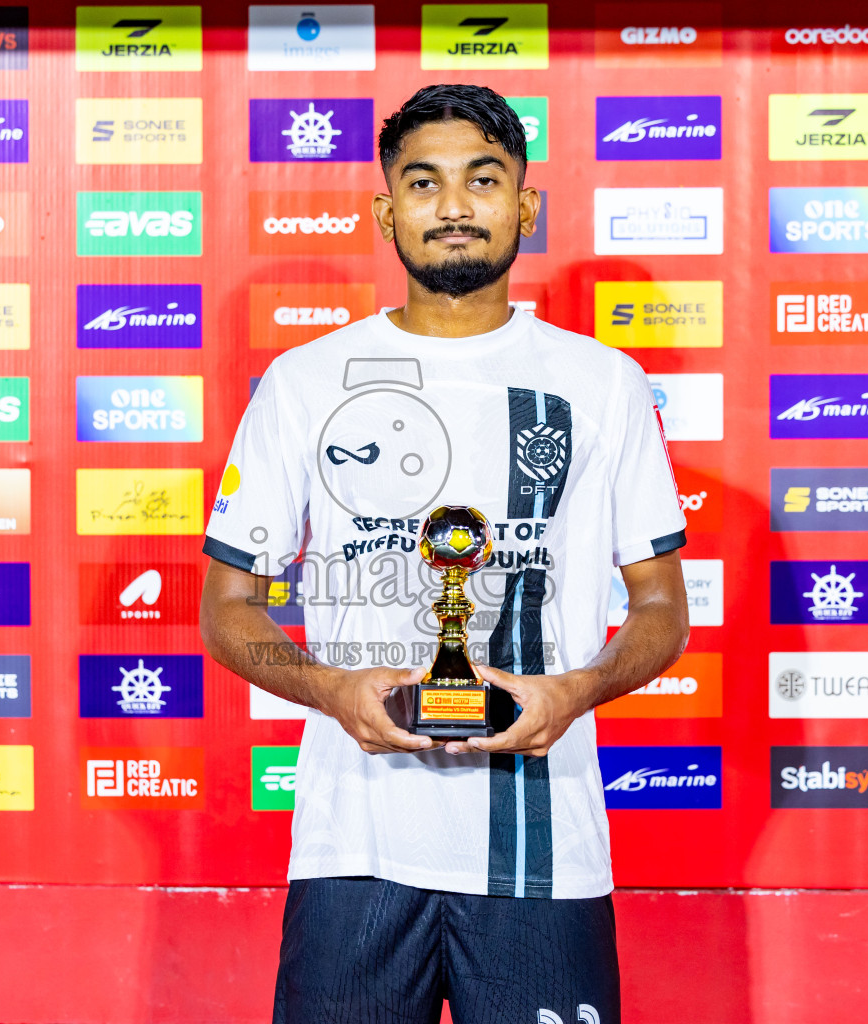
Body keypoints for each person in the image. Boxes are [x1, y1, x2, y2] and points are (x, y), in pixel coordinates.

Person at [199, 83, 690, 1024]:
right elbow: (228, 608)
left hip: (542, 847)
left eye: (483, 179)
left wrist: (572, 692)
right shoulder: (304, 383)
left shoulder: (604, 383)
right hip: (356, 847)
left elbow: (663, 610)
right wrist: (335, 689)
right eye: (423, 183)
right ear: (387, 211)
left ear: (525, 205)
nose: (455, 207)